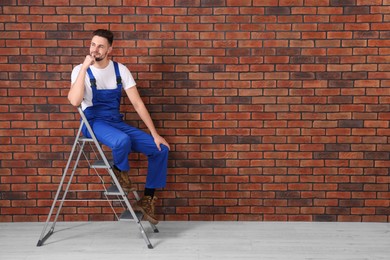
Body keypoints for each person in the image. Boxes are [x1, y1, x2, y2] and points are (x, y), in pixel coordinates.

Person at [68, 29, 170, 225]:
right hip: (93, 122)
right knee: (122, 140)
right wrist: (83, 69)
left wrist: (155, 134)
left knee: (161, 149)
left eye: (100, 46)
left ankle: (147, 200)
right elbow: (74, 101)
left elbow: (137, 103)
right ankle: (119, 172)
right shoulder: (80, 70)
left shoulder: (120, 70)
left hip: (115, 121)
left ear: (109, 49)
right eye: (92, 44)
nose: (95, 49)